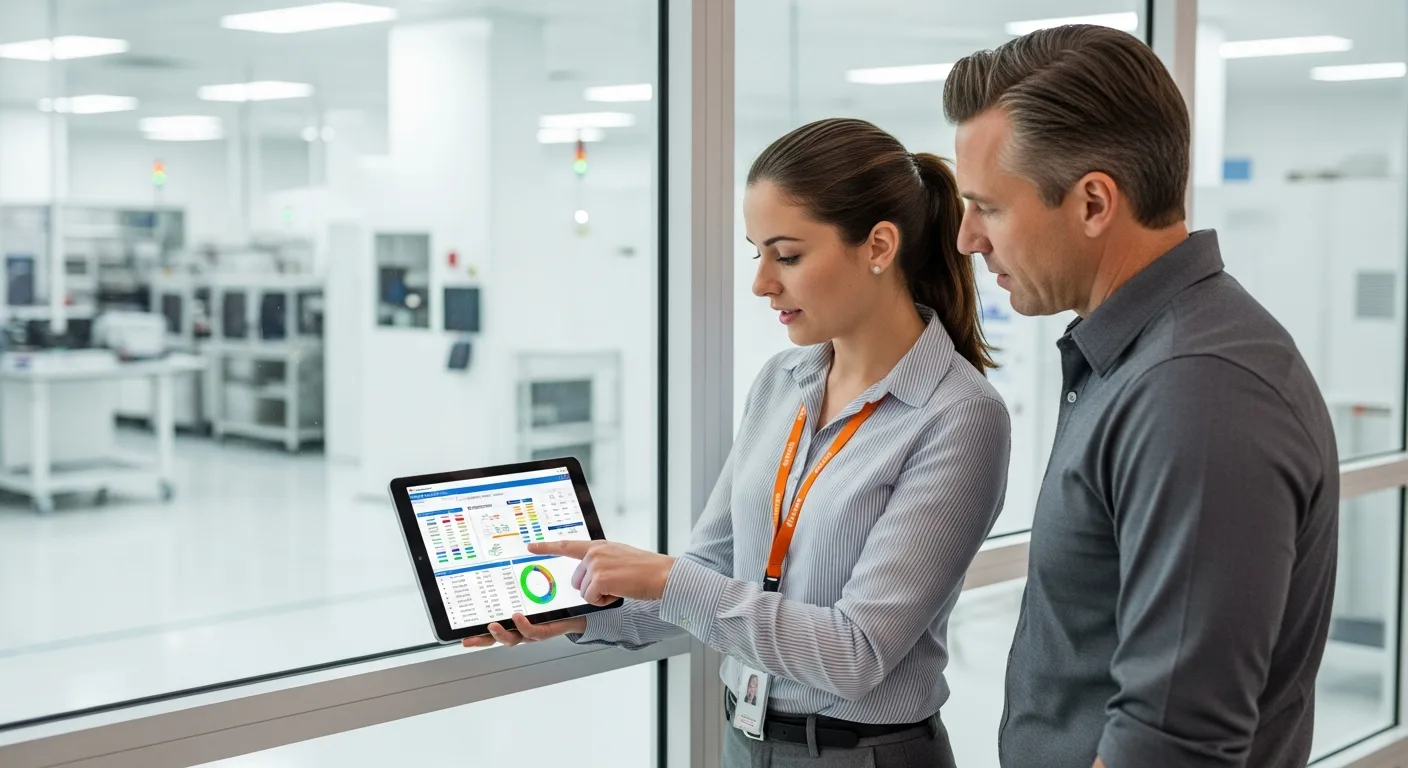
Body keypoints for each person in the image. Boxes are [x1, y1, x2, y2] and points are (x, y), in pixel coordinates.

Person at [462, 117, 1011, 767]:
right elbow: (712, 579)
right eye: (758, 254)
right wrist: (582, 613)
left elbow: (855, 655)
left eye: (789, 254)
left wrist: (666, 578)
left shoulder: (958, 416)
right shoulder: (783, 381)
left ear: (878, 246)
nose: (762, 284)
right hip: (745, 743)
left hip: (863, 756)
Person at [943, 24, 1339, 768]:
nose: (967, 239)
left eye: (988, 208)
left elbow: (1171, 745)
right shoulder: (1145, 357)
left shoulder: (1198, 390)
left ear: (1094, 202)